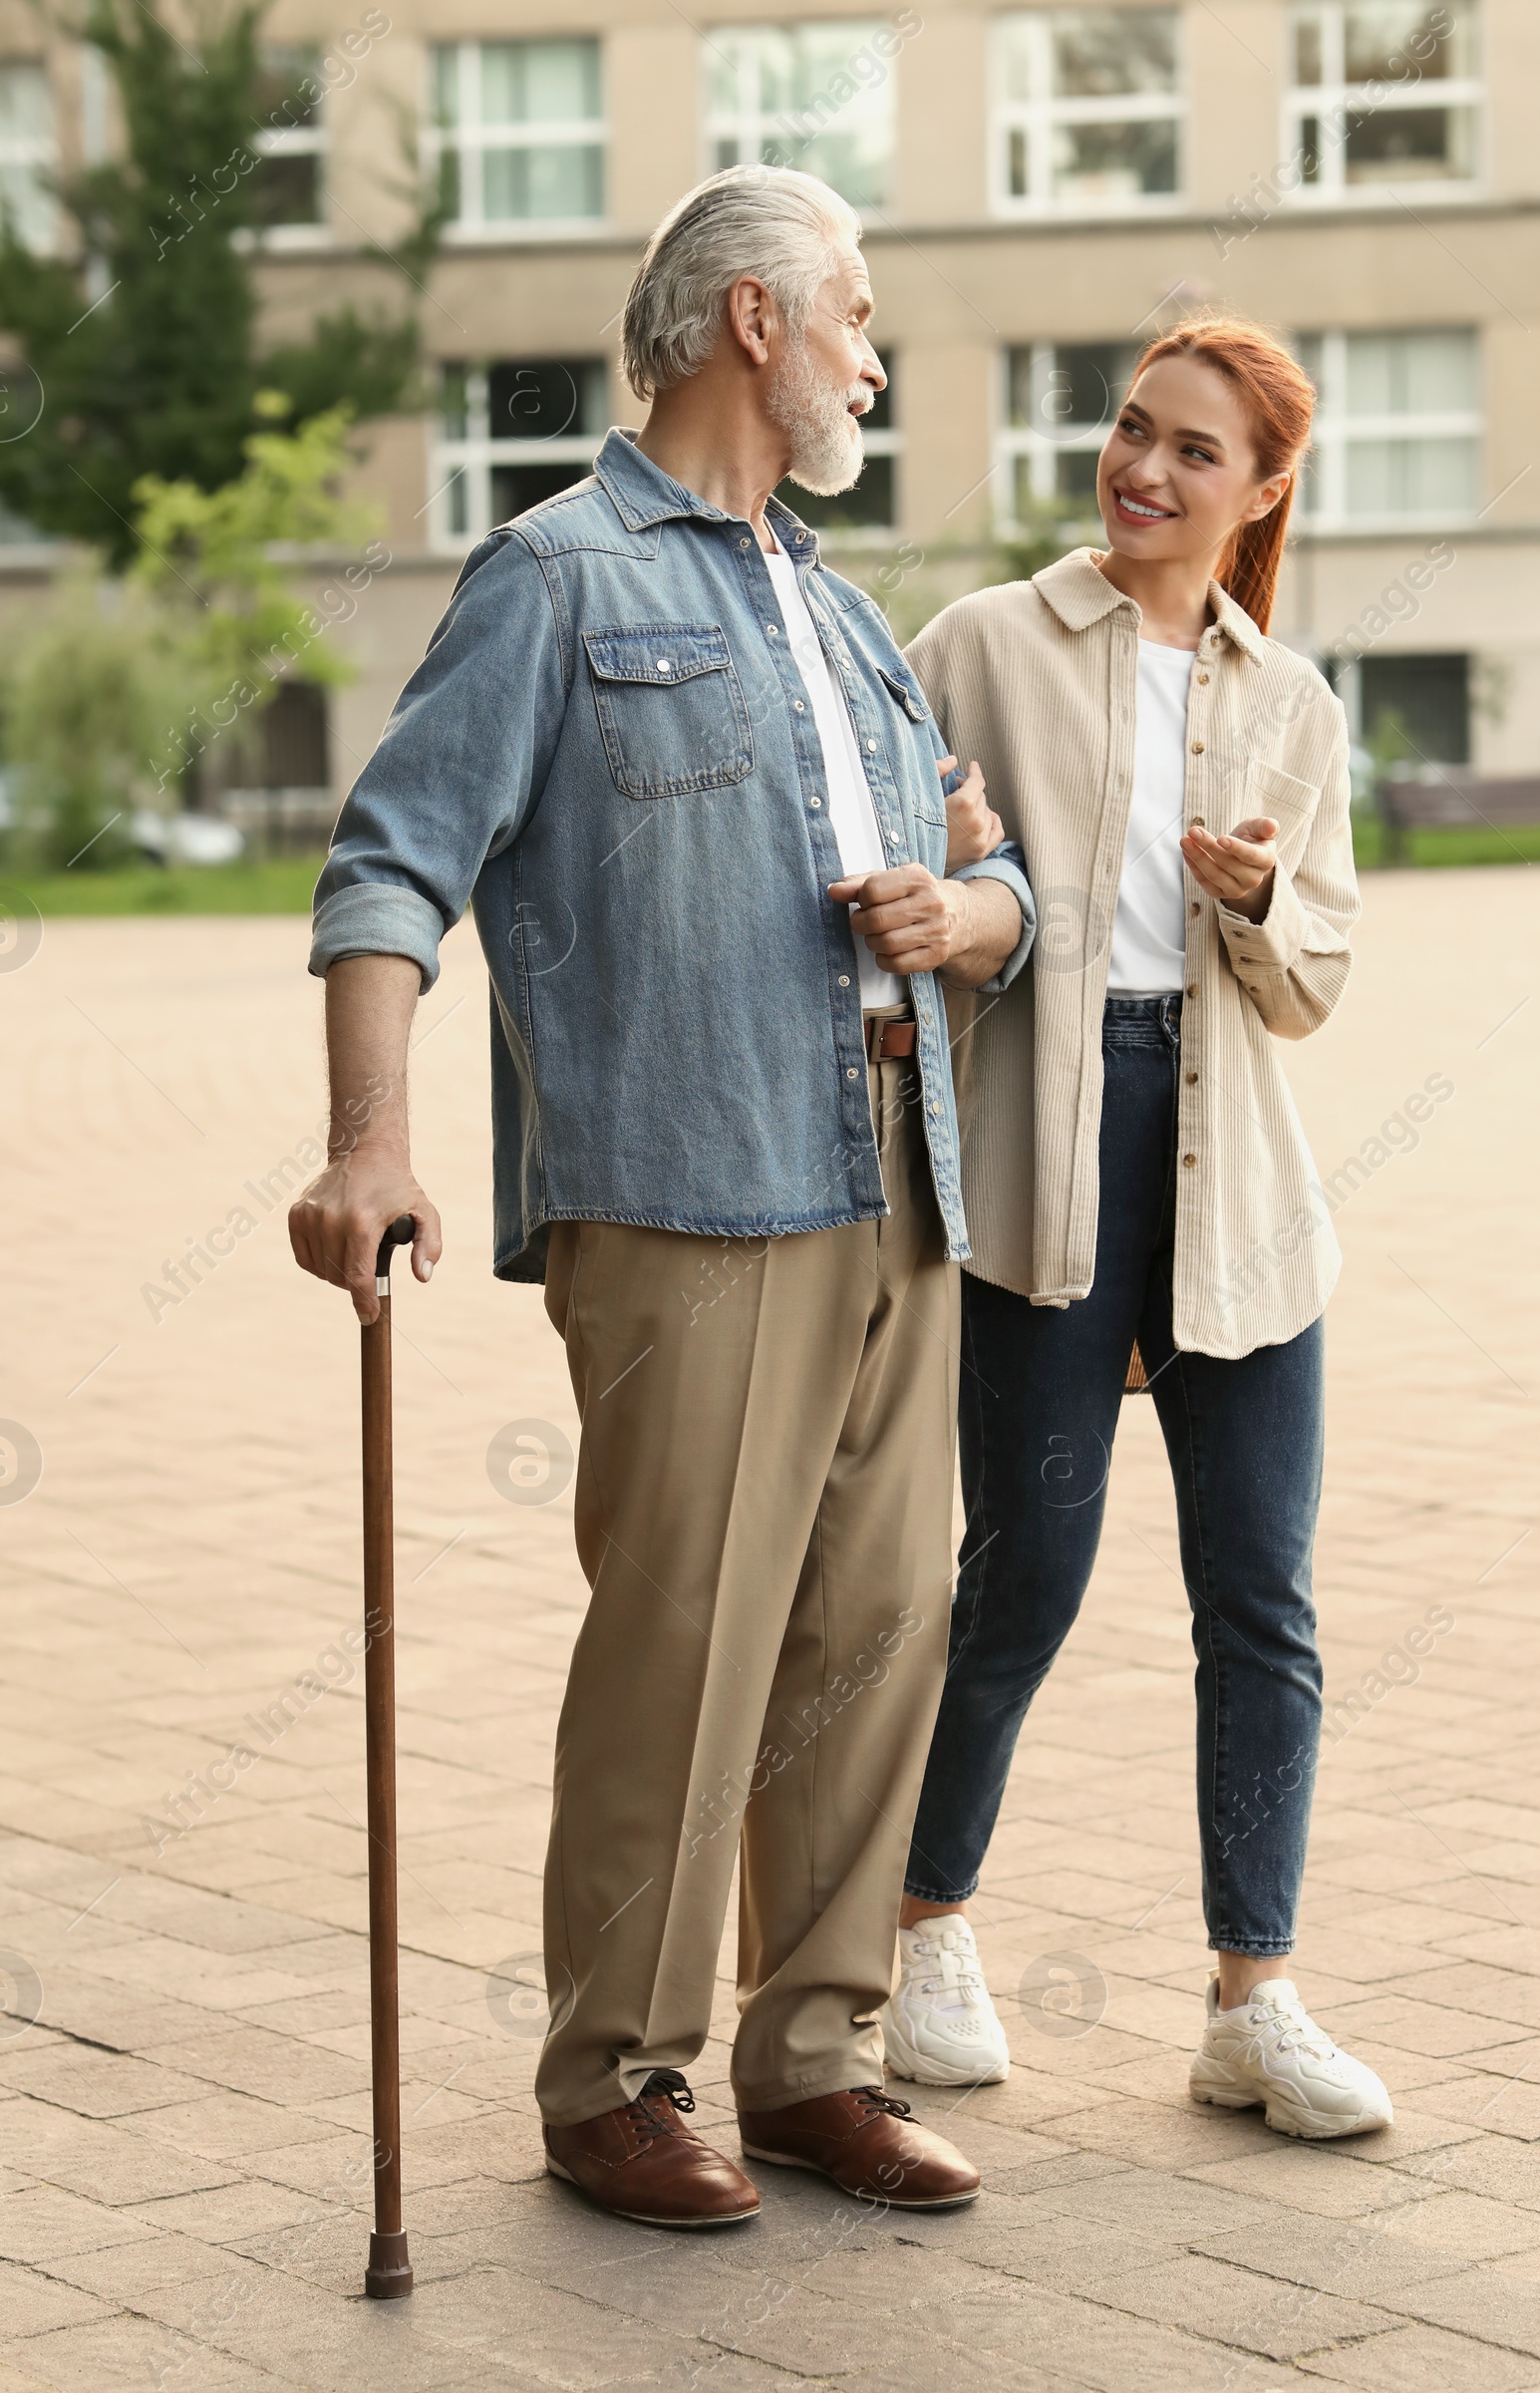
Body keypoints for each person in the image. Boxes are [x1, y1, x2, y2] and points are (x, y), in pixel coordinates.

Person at [288, 166, 1036, 2228]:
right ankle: (614, 2078)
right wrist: (372, 1139)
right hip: (687, 1198)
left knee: (873, 1633)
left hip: (899, 1184)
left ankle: (813, 2060)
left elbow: (996, 895)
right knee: (688, 1639)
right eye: (856, 312)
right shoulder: (553, 578)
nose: (874, 353)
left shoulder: (844, 611)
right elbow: (388, 865)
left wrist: (965, 901)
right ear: (752, 325)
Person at [880, 316, 1394, 2142]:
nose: (1143, 469)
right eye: (1130, 429)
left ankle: (1252, 2000)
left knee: (1264, 1605)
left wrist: (1256, 907)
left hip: (1236, 1178)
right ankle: (920, 1930)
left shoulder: (1291, 700)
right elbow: (891, 861)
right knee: (1021, 1577)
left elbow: (1313, 982)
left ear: (1258, 490)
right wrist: (948, 865)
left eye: (1193, 450)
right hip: (1047, 1150)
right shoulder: (983, 644)